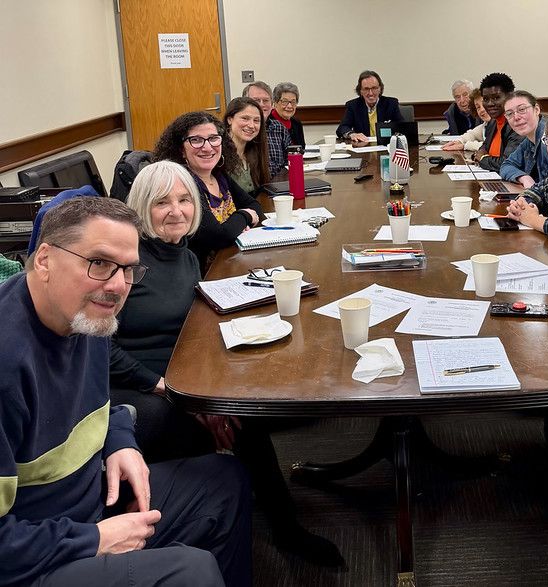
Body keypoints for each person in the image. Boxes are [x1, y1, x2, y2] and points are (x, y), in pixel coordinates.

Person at [0, 196, 250, 586]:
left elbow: (100, 402)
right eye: (99, 263)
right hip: (33, 557)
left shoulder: (85, 316)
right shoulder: (8, 361)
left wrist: (120, 441)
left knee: (224, 480)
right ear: (45, 259)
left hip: (85, 507)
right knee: (190, 571)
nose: (117, 285)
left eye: (128, 269)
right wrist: (94, 539)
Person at [110, 161, 345, 566]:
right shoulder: (128, 263)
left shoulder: (181, 253)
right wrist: (174, 389)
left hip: (180, 372)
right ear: (141, 207)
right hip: (138, 388)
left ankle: (275, 518)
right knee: (245, 418)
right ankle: (283, 529)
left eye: (185, 200)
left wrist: (203, 393)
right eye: (162, 202)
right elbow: (98, 348)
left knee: (246, 400)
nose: (177, 211)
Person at [152, 111, 263, 271]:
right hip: (202, 275)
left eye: (213, 139)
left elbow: (255, 206)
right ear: (181, 149)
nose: (207, 147)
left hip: (229, 262)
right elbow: (219, 236)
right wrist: (245, 216)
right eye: (196, 140)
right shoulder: (183, 184)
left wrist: (237, 224)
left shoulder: (219, 175)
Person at [499, 91, 548, 188]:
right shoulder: (529, 139)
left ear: (537, 110)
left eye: (522, 109)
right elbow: (506, 165)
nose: (516, 117)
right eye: (509, 114)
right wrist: (524, 177)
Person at [472, 72, 523, 171]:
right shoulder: (493, 122)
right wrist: (481, 155)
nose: (490, 104)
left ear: (510, 96)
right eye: (486, 99)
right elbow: (484, 148)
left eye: (496, 98)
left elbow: (507, 163)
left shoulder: (518, 124)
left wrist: (482, 159)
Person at [336, 70, 403, 142]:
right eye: (366, 89)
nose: (370, 93)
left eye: (374, 88)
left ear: (380, 89)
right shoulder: (353, 106)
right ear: (360, 91)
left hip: (386, 145)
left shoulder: (391, 104)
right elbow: (342, 128)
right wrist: (351, 134)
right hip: (363, 147)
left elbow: (403, 127)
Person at [242, 81, 292, 175]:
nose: (261, 105)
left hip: (279, 184)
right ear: (245, 103)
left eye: (266, 100)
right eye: (256, 100)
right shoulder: (242, 130)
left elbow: (288, 163)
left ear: (272, 104)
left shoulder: (279, 128)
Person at [224, 97, 271, 194]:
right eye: (245, 118)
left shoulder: (256, 150)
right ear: (230, 119)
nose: (251, 125)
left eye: (256, 120)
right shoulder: (219, 154)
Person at [270, 82, 305, 147]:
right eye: (285, 101)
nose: (289, 106)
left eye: (293, 102)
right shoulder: (268, 123)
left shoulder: (296, 123)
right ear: (275, 103)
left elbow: (302, 148)